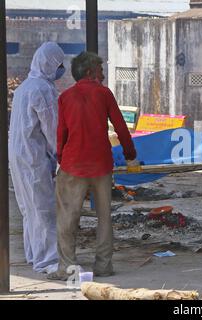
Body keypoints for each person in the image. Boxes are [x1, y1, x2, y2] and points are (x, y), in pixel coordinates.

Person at [47, 52, 138, 280]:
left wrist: (61, 159)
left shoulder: (66, 97)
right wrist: (130, 156)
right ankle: (104, 266)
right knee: (104, 217)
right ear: (90, 72)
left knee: (68, 218)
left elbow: (62, 134)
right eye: (100, 68)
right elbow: (121, 128)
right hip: (101, 166)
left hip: (73, 165)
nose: (104, 73)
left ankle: (67, 268)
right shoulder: (104, 93)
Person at [9, 42, 65, 273]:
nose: (61, 69)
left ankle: (35, 255)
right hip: (34, 158)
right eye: (59, 65)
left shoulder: (24, 87)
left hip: (19, 156)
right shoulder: (43, 89)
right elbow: (53, 129)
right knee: (43, 209)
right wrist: (61, 157)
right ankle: (49, 261)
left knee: (29, 210)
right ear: (50, 63)